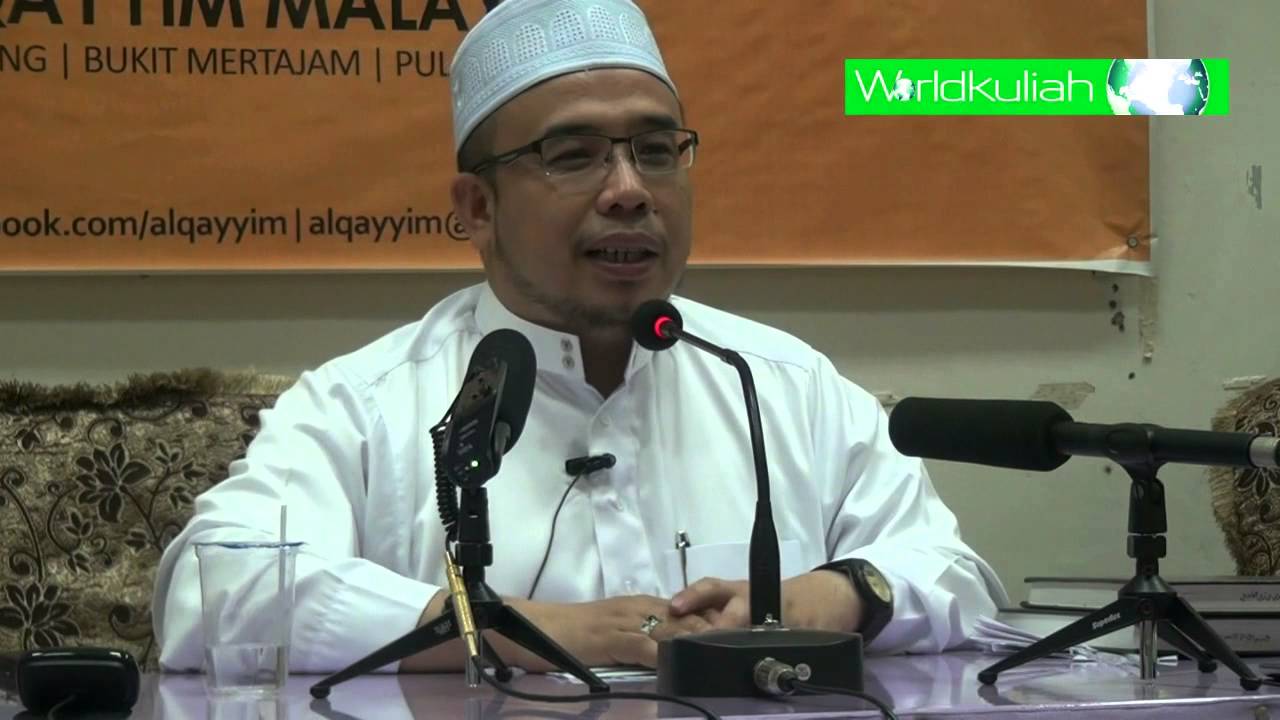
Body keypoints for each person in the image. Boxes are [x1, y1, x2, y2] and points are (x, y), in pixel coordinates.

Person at [152, 0, 1009, 675]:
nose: (630, 190)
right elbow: (212, 590)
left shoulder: (784, 383)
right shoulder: (367, 404)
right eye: (573, 156)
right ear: (477, 209)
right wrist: (510, 629)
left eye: (657, 150)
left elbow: (959, 578)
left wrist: (828, 598)